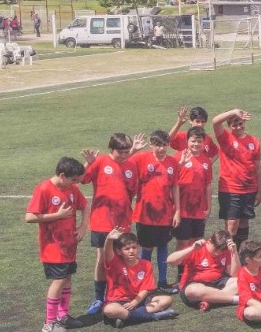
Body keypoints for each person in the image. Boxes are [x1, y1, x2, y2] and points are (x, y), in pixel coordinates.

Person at [81, 132, 145, 314]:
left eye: (126, 152)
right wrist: (88, 163)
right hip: (102, 221)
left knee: (122, 259)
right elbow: (82, 179)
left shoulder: (131, 165)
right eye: (120, 152)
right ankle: (99, 297)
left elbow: (131, 191)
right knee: (102, 259)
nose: (124, 155)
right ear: (111, 149)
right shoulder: (100, 161)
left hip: (123, 221)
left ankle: (118, 294)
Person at [27, 157, 89, 332]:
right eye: (73, 179)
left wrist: (83, 227)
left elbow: (85, 206)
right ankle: (49, 322)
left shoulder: (72, 188)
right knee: (60, 280)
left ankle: (63, 316)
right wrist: (57, 215)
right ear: (62, 175)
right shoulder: (44, 189)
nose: (76, 183)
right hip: (52, 246)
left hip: (69, 245)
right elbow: (30, 217)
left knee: (67, 278)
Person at [130, 130, 181, 294]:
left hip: (165, 214)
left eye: (164, 145)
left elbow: (175, 186)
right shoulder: (141, 158)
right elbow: (123, 162)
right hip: (144, 214)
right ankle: (144, 283)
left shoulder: (172, 162)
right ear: (151, 144)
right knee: (146, 248)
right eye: (158, 145)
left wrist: (177, 210)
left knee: (163, 246)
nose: (161, 148)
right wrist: (133, 149)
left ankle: (162, 282)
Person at [101, 227, 177, 327]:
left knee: (166, 300)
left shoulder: (146, 264)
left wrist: (134, 302)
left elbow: (145, 289)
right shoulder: (115, 262)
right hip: (118, 302)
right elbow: (107, 253)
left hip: (139, 300)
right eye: (127, 249)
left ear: (138, 248)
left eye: (134, 247)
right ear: (119, 251)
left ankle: (126, 317)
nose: (131, 251)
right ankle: (152, 316)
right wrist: (109, 239)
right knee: (109, 310)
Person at [211, 108, 261, 245]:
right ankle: (228, 254)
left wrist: (259, 191)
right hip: (230, 189)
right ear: (229, 126)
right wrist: (233, 112)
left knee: (244, 222)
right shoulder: (225, 138)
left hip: (249, 188)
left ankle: (241, 253)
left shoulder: (254, 141)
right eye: (234, 125)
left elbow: (258, 168)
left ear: (244, 122)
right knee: (231, 225)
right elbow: (215, 122)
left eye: (240, 123)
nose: (238, 127)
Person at [172, 127, 214, 273]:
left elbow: (208, 185)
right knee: (183, 242)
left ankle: (192, 273)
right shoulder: (178, 157)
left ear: (203, 143)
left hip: (199, 209)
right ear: (187, 141)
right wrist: (176, 210)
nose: (196, 144)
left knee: (197, 241)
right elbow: (172, 183)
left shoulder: (206, 161)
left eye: (199, 141)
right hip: (183, 208)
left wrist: (209, 207)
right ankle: (181, 275)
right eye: (193, 141)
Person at [169, 230, 239, 312]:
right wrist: (191, 249)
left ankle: (211, 300)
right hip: (195, 284)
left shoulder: (226, 250)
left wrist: (234, 252)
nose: (218, 253)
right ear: (209, 241)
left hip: (218, 282)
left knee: (240, 281)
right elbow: (170, 260)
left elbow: (235, 274)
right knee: (193, 290)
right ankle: (235, 299)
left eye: (221, 250)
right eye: (216, 249)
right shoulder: (197, 248)